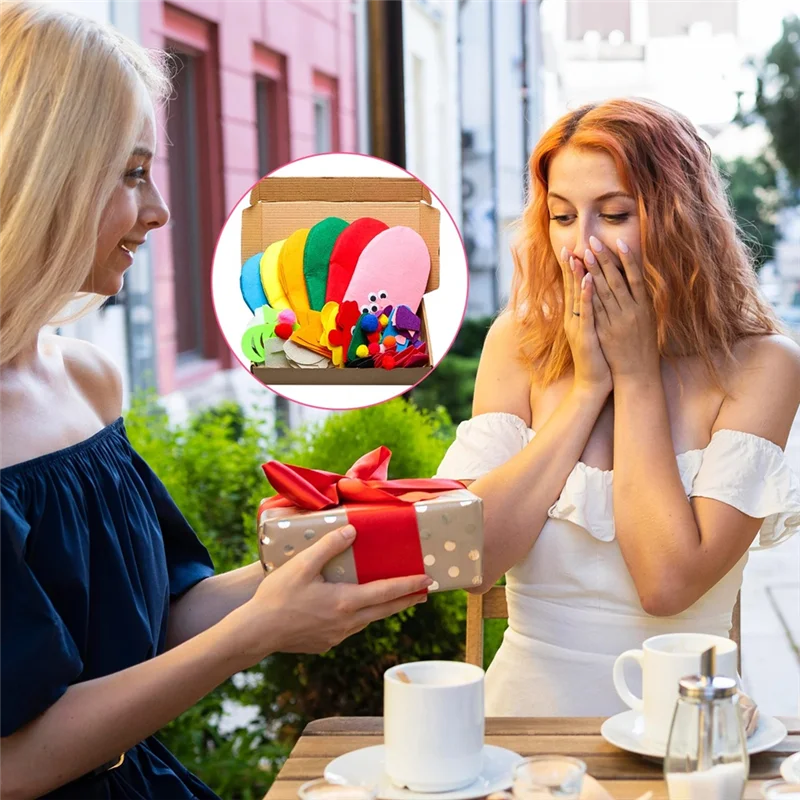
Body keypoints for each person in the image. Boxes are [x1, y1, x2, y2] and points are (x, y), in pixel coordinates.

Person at [0, 4, 432, 797]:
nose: (161, 209)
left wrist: (317, 554)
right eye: (133, 174)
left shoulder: (89, 380)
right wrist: (254, 635)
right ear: (37, 176)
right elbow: (14, 761)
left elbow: (155, 619)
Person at [435, 98, 800, 717]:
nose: (584, 245)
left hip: (684, 727)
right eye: (561, 216)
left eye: (615, 214)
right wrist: (584, 393)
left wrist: (635, 379)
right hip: (520, 728)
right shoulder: (518, 344)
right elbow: (466, 561)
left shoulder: (763, 364)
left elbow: (667, 583)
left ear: (681, 219)